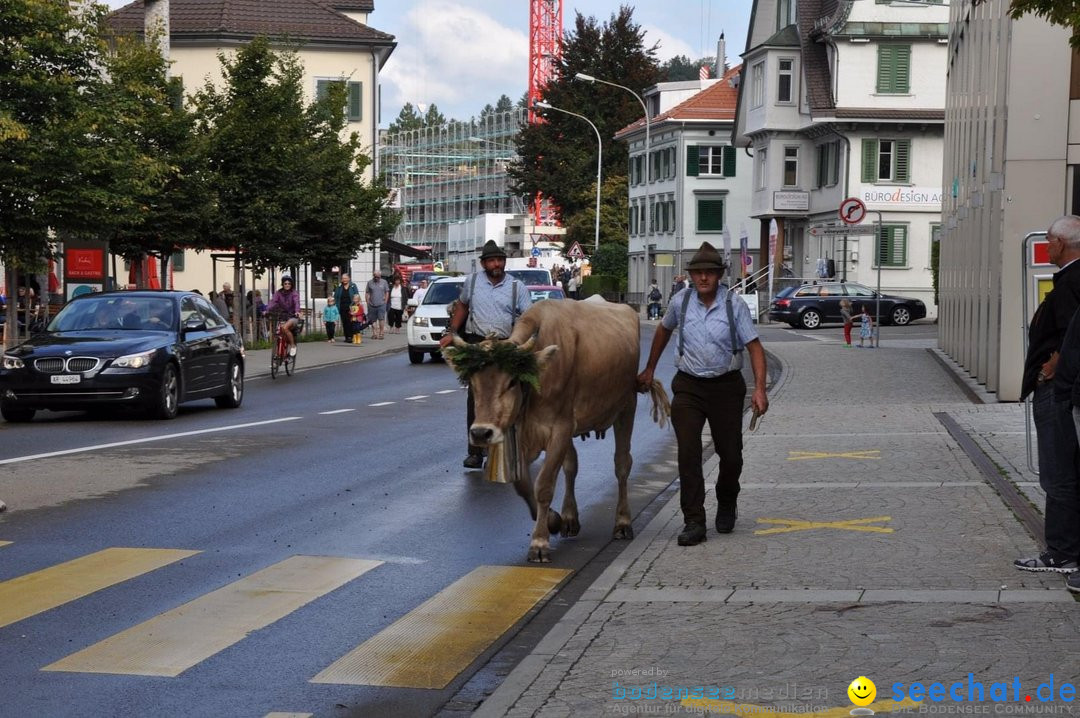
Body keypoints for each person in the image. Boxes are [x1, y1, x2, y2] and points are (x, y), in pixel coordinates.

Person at [636, 241, 769, 547]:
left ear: (719, 275)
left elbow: (754, 347)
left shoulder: (734, 305)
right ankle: (693, 520)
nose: (704, 278)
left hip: (726, 387)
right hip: (689, 386)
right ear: (692, 276)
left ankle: (726, 500)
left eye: (710, 272)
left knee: (731, 455)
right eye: (698, 273)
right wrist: (649, 369)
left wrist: (760, 389)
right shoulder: (680, 302)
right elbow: (663, 331)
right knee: (688, 453)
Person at [1016, 215, 1080, 576]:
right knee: (1065, 472)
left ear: (1059, 244)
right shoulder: (1070, 279)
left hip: (1057, 393)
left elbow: (1073, 332)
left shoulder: (1072, 281)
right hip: (1061, 389)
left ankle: (1061, 552)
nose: (1047, 246)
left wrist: (1049, 370)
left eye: (1050, 241)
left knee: (1058, 475)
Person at [439, 240, 532, 469]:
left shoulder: (516, 287)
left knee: (509, 398)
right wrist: (451, 332)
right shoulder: (472, 283)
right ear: (483, 263)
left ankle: (507, 448)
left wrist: (525, 340)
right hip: (477, 345)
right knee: (477, 399)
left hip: (505, 345)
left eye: (500, 260)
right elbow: (462, 307)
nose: (497, 264)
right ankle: (476, 452)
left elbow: (528, 317)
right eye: (492, 260)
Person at [265, 276, 302, 356]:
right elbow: (273, 302)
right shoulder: (278, 293)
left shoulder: (294, 293)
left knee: (285, 327)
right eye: (285, 283)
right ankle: (281, 354)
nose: (287, 285)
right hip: (283, 316)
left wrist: (297, 311)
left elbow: (296, 302)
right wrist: (267, 310)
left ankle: (293, 346)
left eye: (289, 283)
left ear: (291, 284)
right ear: (283, 284)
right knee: (280, 331)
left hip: (293, 316)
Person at [334, 273, 360, 343]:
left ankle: (351, 336)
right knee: (345, 322)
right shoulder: (339, 286)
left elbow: (357, 295)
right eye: (343, 278)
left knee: (351, 322)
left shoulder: (353, 286)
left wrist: (357, 305)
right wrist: (336, 305)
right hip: (342, 307)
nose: (344, 280)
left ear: (349, 279)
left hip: (352, 307)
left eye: (345, 278)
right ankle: (347, 337)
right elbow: (336, 297)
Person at [366, 269, 390, 340]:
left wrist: (385, 301)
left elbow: (387, 292)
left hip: (381, 304)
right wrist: (367, 301)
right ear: (373, 276)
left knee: (381, 319)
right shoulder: (370, 282)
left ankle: (381, 333)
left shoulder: (384, 282)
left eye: (378, 277)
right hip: (372, 304)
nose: (376, 278)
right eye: (375, 276)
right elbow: (367, 292)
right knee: (373, 320)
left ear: (380, 276)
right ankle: (374, 333)